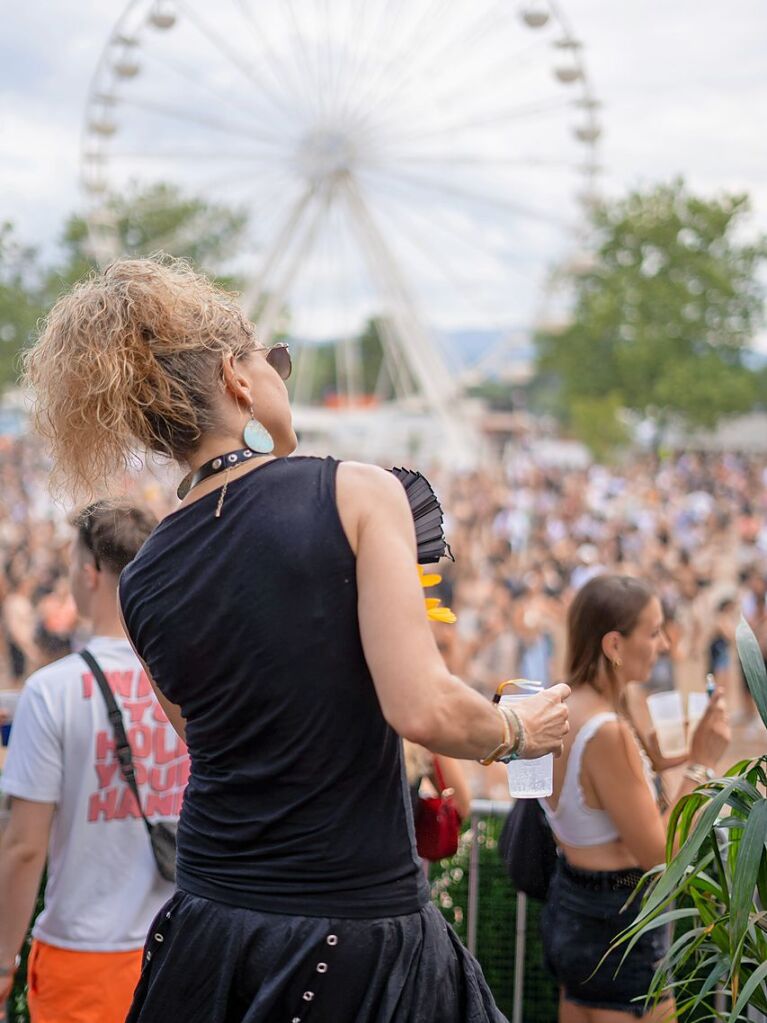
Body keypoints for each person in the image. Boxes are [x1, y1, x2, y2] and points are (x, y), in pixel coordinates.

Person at [21, 256, 571, 1023]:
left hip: (213, 919)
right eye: (269, 359)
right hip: (350, 919)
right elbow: (422, 705)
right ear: (235, 378)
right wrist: (519, 730)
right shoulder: (352, 490)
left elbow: (204, 738)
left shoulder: (144, 573)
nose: (279, 373)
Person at [0, 501, 188, 1023]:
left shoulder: (52, 691)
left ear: (90, 573)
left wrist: (1, 959)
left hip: (83, 957)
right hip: (184, 949)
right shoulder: (195, 679)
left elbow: (23, 845)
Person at [541, 574, 729, 1022]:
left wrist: (672, 755)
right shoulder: (607, 732)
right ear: (614, 645)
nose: (664, 644)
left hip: (572, 907)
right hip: (620, 922)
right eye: (653, 631)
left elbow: (597, 796)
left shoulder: (565, 707)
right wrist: (700, 765)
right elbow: (661, 857)